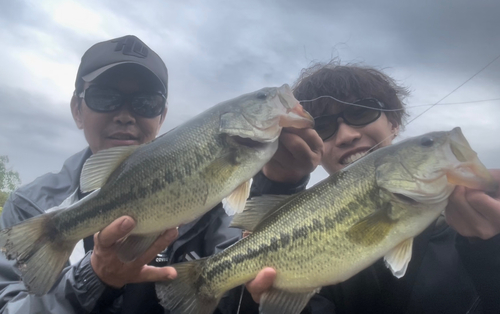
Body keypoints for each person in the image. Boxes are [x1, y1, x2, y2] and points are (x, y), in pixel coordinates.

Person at [0, 35, 300, 314]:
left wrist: (280, 186)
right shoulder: (31, 206)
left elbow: (241, 291)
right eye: (105, 97)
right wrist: (92, 278)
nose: (125, 115)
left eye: (146, 103)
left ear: (162, 116)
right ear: (77, 109)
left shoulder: (208, 209)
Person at [246, 62, 500, 314]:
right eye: (322, 127)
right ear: (313, 145)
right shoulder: (290, 230)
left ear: (394, 122)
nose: (346, 135)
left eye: (361, 112)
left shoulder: (481, 224)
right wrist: (274, 186)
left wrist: (491, 253)